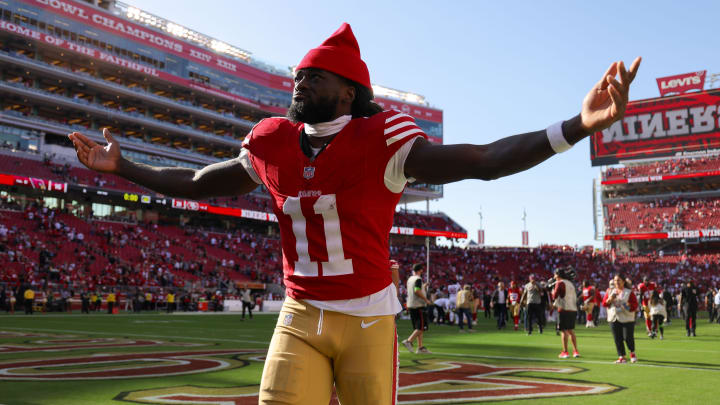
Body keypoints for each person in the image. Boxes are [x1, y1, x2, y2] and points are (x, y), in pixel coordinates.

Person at [67, 21, 640, 404]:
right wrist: (124, 169)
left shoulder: (383, 139)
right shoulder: (271, 141)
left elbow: (484, 160)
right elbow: (198, 182)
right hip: (299, 315)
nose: (299, 81)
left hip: (367, 319)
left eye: (313, 75)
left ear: (349, 91)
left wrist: (576, 127)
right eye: (297, 74)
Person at [602, 273, 639, 364]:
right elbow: (604, 304)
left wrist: (627, 306)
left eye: (618, 280)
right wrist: (610, 299)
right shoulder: (610, 291)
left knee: (627, 337)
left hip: (627, 318)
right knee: (617, 338)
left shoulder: (629, 292)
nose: (616, 282)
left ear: (623, 281)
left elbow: (635, 305)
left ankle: (632, 353)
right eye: (615, 280)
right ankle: (621, 356)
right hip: (613, 317)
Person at [403, 263, 433, 353]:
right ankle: (409, 341)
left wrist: (424, 287)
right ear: (420, 270)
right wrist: (426, 300)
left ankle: (420, 347)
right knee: (421, 327)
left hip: (411, 305)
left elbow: (415, 289)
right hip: (418, 305)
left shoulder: (410, 279)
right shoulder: (418, 279)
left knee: (418, 327)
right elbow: (417, 291)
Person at [552, 267, 580, 359]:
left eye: (555, 274)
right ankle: (575, 351)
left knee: (563, 331)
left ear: (558, 275)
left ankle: (565, 351)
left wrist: (552, 290)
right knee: (571, 331)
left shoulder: (559, 283)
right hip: (573, 308)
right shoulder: (571, 283)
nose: (554, 276)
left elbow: (554, 295)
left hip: (564, 309)